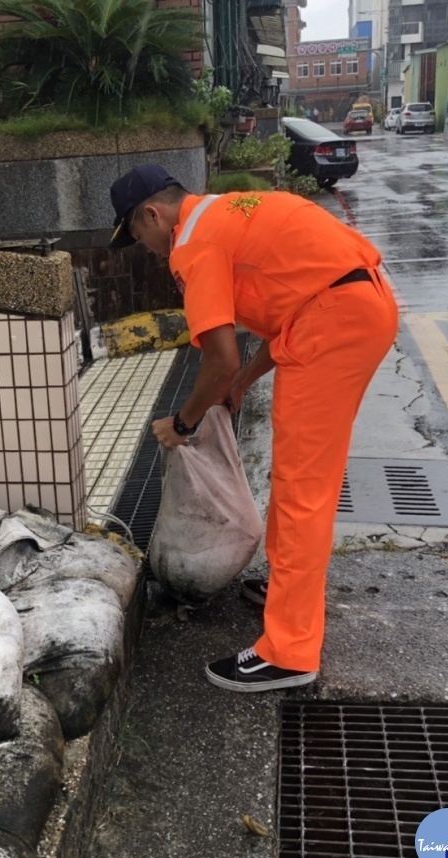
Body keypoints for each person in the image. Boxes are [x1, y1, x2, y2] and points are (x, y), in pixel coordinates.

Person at [108, 164, 398, 693]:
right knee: (306, 481)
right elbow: (285, 311)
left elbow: (216, 356)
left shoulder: (192, 245)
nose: (145, 248)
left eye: (136, 234)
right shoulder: (225, 212)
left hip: (333, 322)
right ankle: (292, 597)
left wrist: (183, 422)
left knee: (300, 491)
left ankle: (289, 652)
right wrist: (242, 382)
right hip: (354, 307)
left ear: (153, 214)